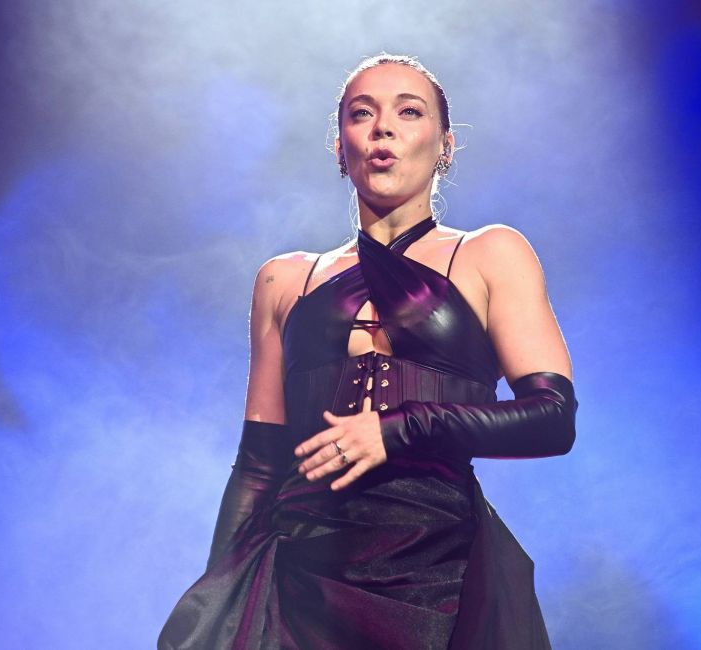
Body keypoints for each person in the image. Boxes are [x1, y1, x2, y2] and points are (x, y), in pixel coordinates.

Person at [158, 53, 578, 650]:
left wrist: (398, 428)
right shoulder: (285, 279)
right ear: (339, 147)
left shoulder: (490, 255)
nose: (382, 128)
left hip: (437, 571)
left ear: (445, 146)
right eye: (362, 114)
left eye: (409, 112)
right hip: (299, 573)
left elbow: (552, 419)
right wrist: (220, 603)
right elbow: (257, 464)